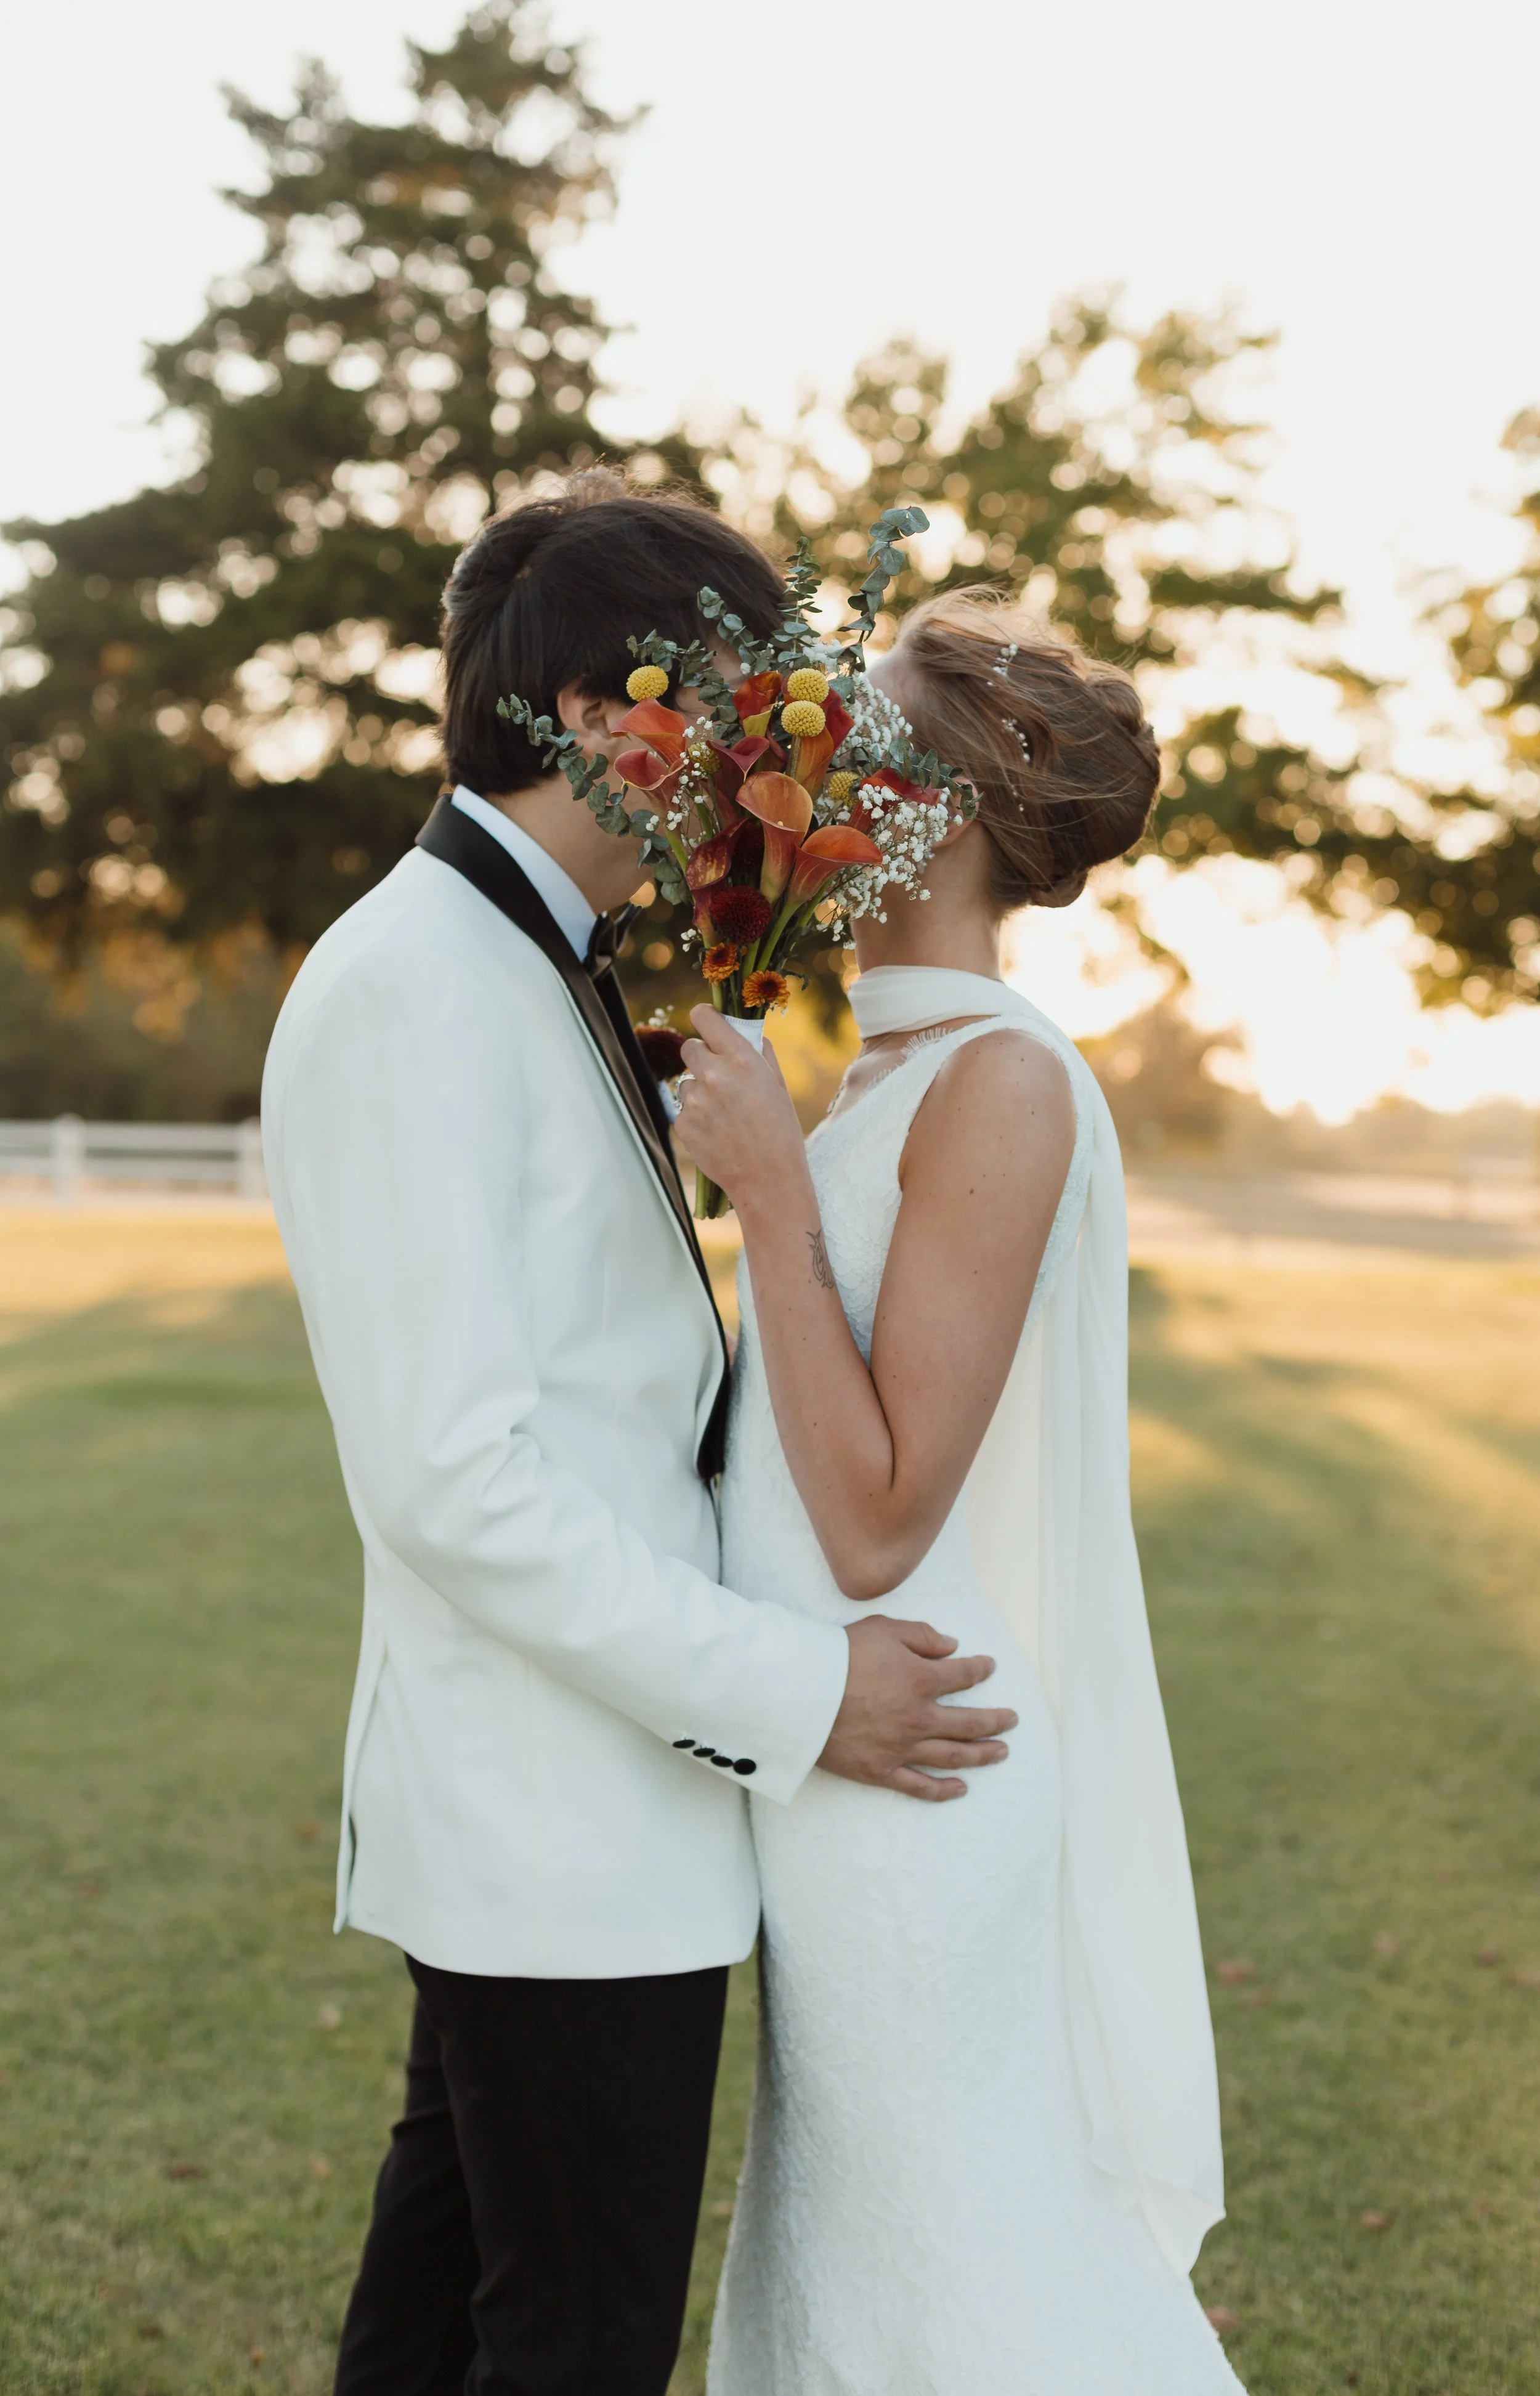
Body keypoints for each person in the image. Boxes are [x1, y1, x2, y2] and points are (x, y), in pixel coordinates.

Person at [260, 473, 1016, 2396]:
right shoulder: (416, 987)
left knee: (446, 2331)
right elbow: (455, 1479)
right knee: (572, 2345)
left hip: (581, 1816)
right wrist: (791, 1685)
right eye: (745, 709)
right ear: (602, 719)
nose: (772, 762)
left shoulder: (535, 966)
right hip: (552, 1819)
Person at [676, 591, 1247, 2393]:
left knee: (956, 2278)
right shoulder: (891, 1075)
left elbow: (877, 1518)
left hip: (915, 1773)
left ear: (948, 801)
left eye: (854, 727)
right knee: (861, 2262)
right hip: (827, 1761)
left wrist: (766, 1194)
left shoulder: (999, 1087)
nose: (803, 754)